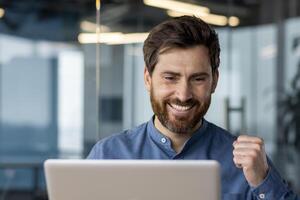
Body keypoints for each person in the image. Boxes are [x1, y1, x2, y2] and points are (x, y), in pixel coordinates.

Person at [88, 15, 299, 199]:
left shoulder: (247, 163)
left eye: (197, 79)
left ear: (214, 81)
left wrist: (262, 181)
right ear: (147, 79)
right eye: (170, 78)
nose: (183, 95)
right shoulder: (108, 155)